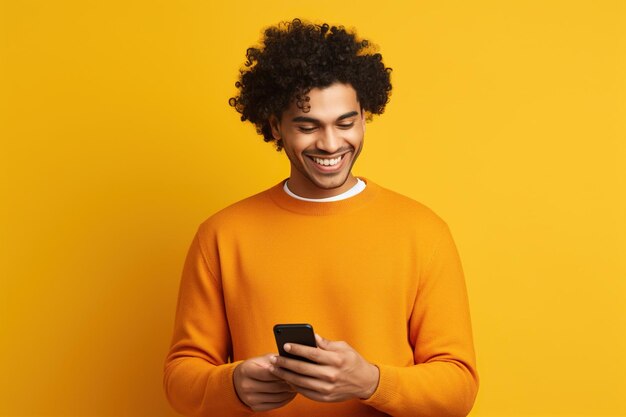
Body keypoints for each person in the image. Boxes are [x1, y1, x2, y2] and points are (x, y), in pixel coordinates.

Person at [163, 18, 478, 417]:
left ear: (365, 117)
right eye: (308, 126)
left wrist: (372, 382)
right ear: (276, 127)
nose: (330, 144)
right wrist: (234, 385)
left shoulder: (423, 231)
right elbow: (180, 380)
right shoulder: (222, 235)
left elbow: (459, 389)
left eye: (345, 123)